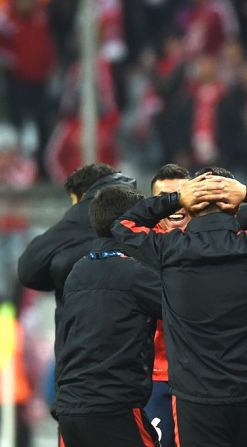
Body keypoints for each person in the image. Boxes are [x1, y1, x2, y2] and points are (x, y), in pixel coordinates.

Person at [111, 173, 247, 447]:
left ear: (189, 208)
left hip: (198, 396)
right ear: (235, 206)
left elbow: (122, 225)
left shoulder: (170, 249)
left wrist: (174, 199)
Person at [54, 187, 161, 447]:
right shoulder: (135, 274)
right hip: (112, 408)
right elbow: (188, 310)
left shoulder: (78, 271)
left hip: (70, 409)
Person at [18, 163, 136, 304]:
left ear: (84, 197)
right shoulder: (142, 215)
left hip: (80, 321)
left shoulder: (75, 222)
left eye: (74, 201)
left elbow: (28, 270)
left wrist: (60, 270)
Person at [143, 163, 191, 447]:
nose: (174, 205)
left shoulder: (219, 244)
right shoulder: (139, 249)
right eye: (165, 198)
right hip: (156, 377)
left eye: (180, 196)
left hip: (204, 379)